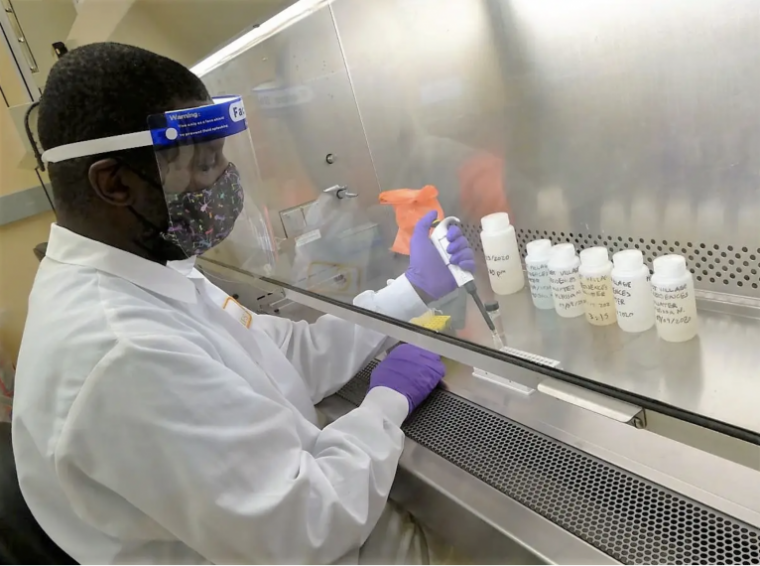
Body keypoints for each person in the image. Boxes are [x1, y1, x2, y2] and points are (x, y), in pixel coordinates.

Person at [11, 43, 476, 564]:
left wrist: (410, 289)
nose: (224, 180)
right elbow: (306, 525)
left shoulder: (151, 269)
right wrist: (385, 403)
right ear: (115, 182)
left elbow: (285, 358)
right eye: (205, 163)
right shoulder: (122, 352)